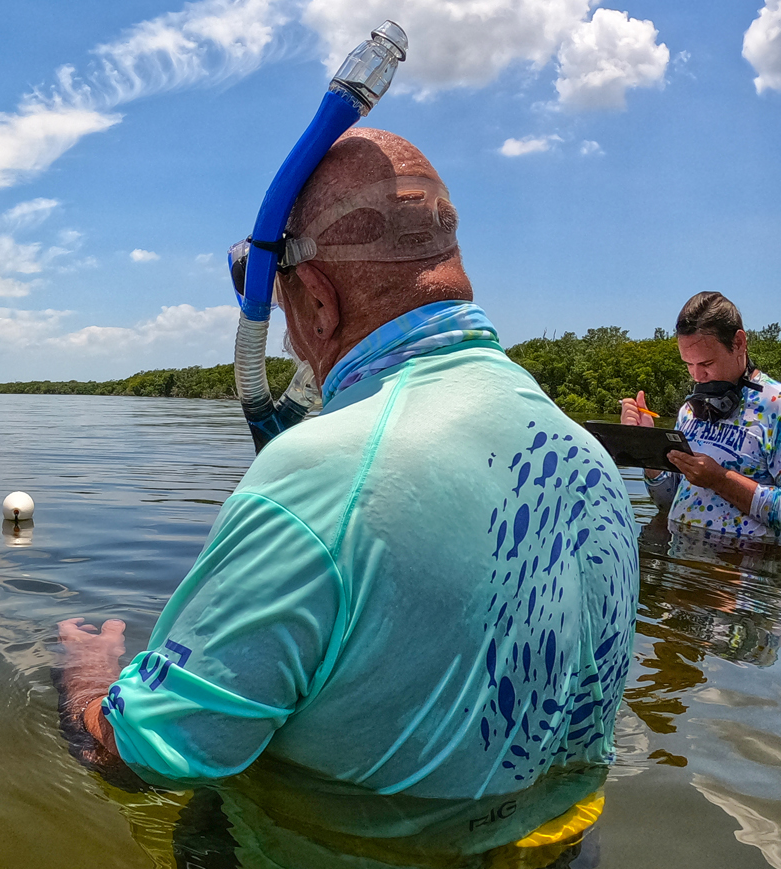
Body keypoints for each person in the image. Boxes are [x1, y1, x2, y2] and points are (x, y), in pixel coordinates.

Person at [56, 129, 638, 802]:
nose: (290, 338)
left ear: (321, 300)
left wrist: (90, 679)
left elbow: (151, 760)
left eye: (288, 312)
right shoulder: (589, 461)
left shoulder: (318, 477)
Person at [619, 291, 780, 540]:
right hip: (684, 568)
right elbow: (667, 502)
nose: (696, 377)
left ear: (738, 343)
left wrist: (721, 480)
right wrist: (647, 447)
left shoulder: (775, 407)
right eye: (688, 364)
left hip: (745, 569)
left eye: (706, 364)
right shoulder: (690, 410)